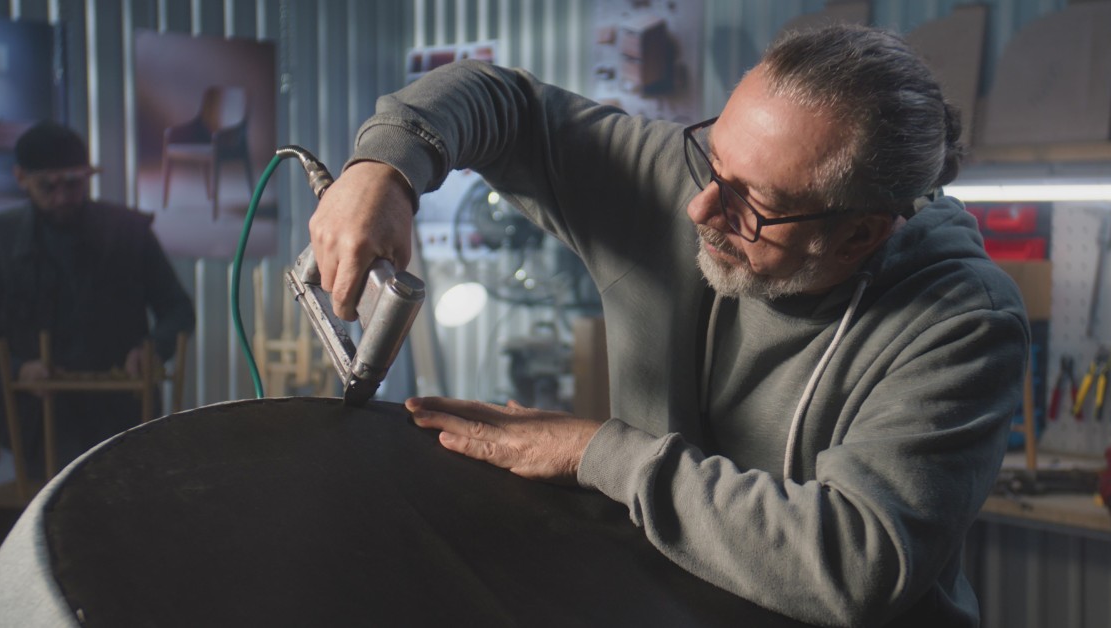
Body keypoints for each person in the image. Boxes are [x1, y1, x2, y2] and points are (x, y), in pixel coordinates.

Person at [310, 24, 1029, 627]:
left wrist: (598, 454)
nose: (700, 209)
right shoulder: (690, 184)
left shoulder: (961, 322)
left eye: (754, 205)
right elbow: (503, 102)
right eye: (713, 158)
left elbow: (857, 560)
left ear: (860, 236)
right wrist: (387, 168)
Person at [0, 121, 196, 480]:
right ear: (20, 177)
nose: (61, 197)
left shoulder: (128, 232)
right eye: (48, 186)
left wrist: (154, 349)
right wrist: (16, 370)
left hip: (119, 419)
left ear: (87, 175)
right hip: (32, 420)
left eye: (72, 183)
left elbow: (178, 310)